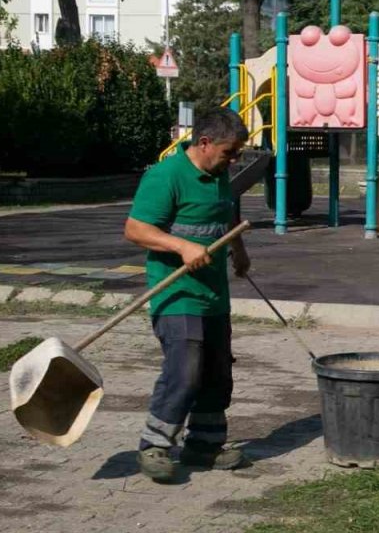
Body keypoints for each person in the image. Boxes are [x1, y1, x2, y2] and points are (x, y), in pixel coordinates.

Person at [124, 108, 251, 483]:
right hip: (175, 291)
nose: (235, 159)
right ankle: (155, 445)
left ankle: (204, 445)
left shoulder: (219, 175)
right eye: (230, 152)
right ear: (205, 143)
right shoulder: (166, 176)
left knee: (217, 371)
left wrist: (239, 251)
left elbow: (226, 214)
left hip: (214, 293)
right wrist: (181, 247)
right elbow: (135, 229)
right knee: (186, 369)